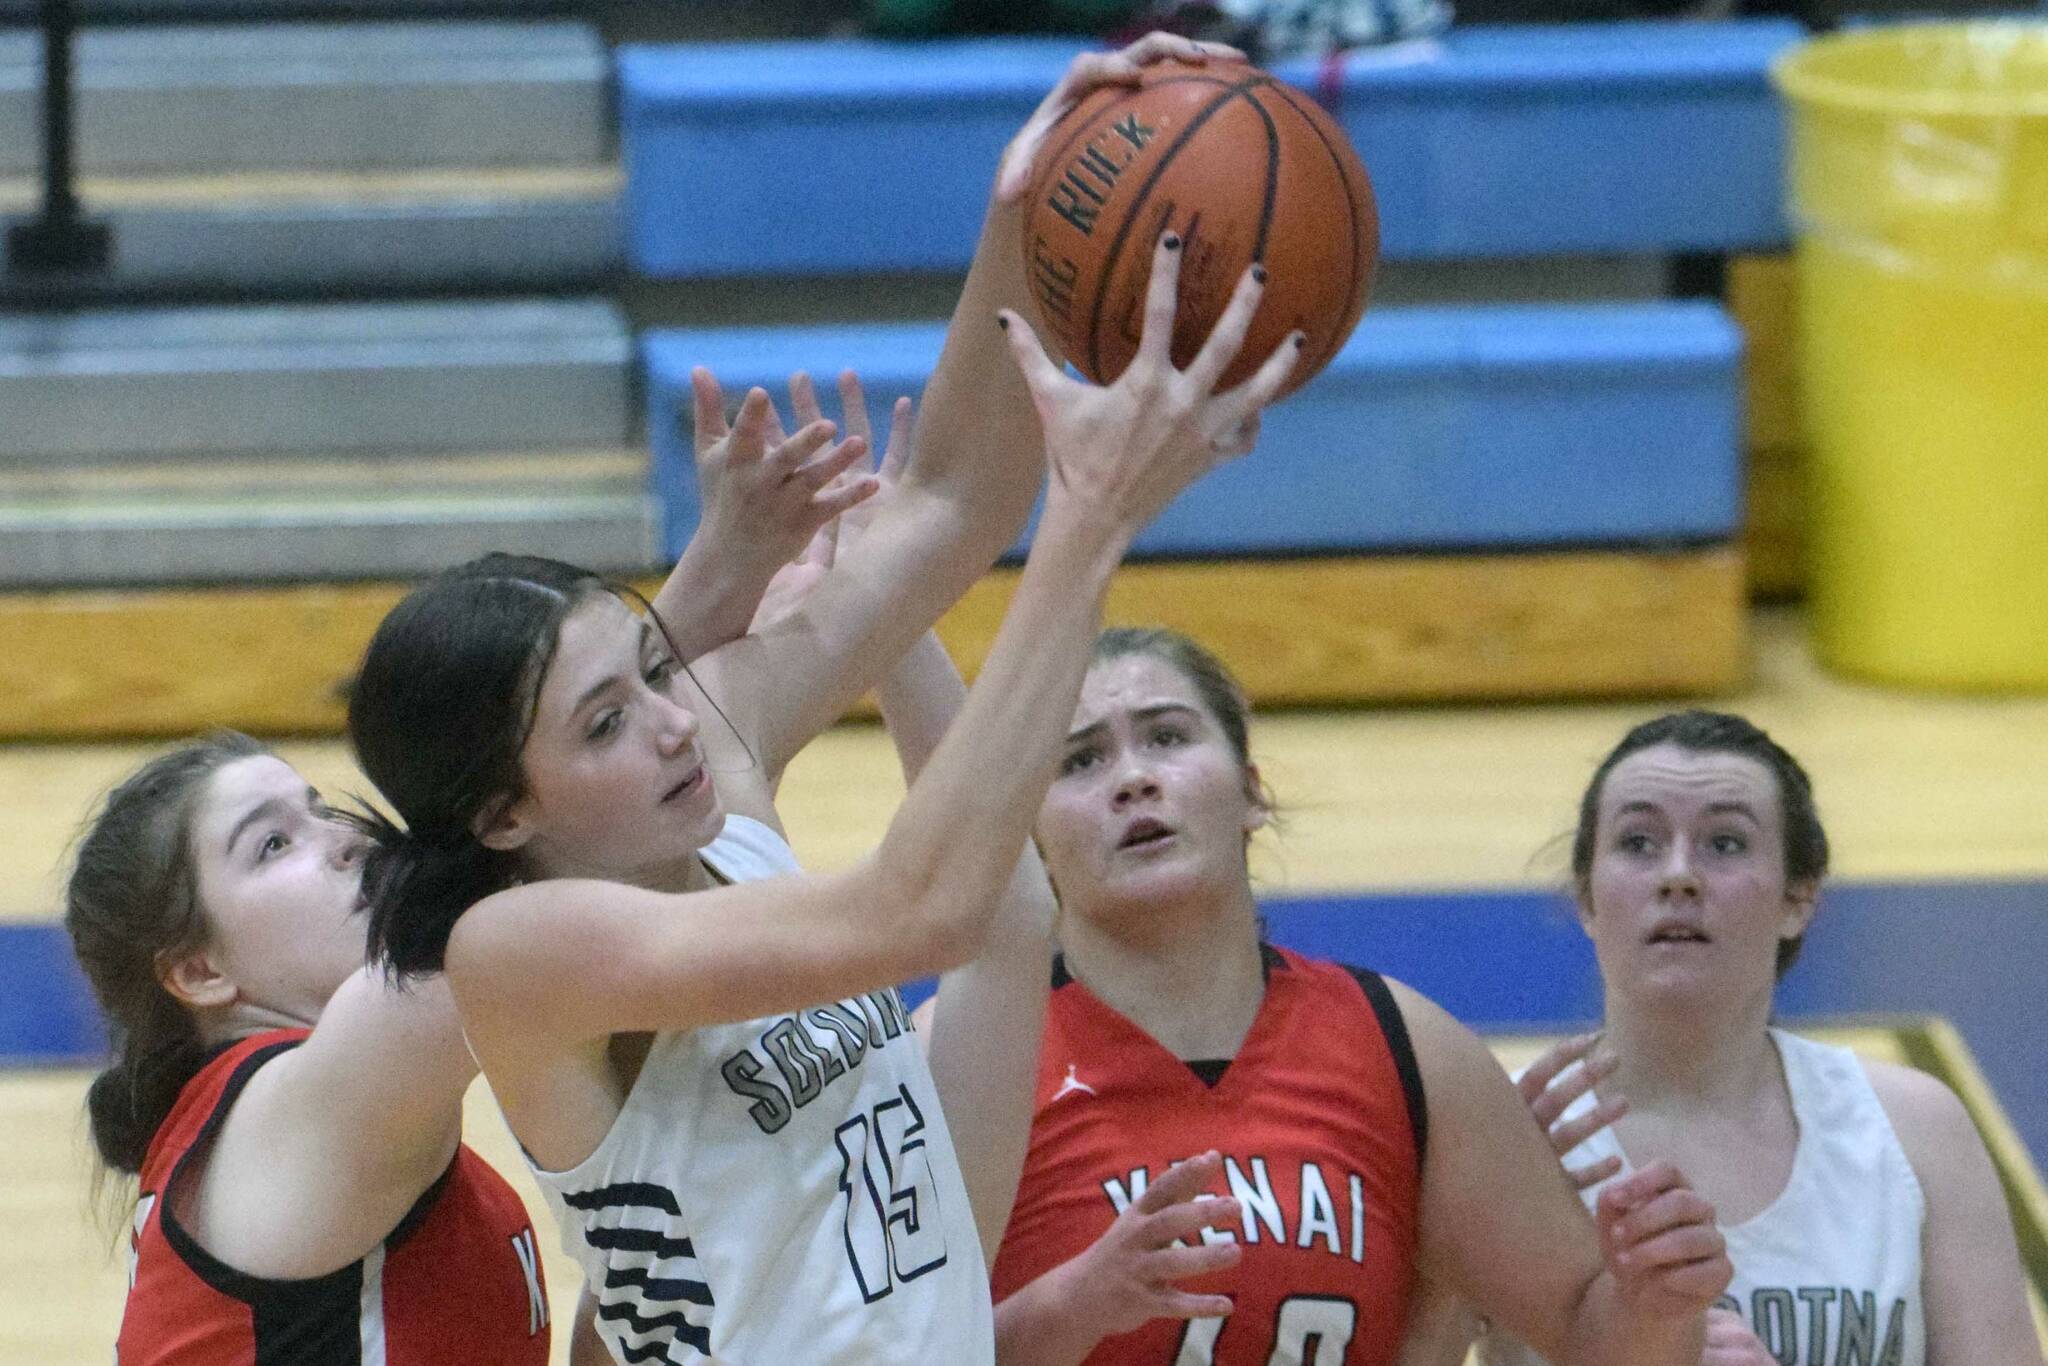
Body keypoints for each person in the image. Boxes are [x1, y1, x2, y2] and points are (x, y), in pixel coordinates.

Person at [345, 181, 1301, 1366]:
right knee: (991, 910)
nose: (674, 721)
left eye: (655, 665)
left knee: (1013, 913)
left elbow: (949, 503)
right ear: (501, 813)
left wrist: (1028, 204)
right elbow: (921, 909)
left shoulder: (705, 788)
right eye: (604, 722)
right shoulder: (521, 954)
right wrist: (1089, 521)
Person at [64, 412, 876, 1364]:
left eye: (317, 807)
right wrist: (717, 579)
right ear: (199, 970)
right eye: (271, 843)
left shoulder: (341, 1117)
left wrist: (723, 573)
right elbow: (517, 835)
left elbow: (533, 771)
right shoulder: (308, 1102)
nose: (338, 841)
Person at [976, 628, 1735, 1366]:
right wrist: (1068, 1307)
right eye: (1081, 759)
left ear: (1251, 792)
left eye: (1168, 738)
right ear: (1032, 836)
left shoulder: (1404, 1047)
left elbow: (1591, 1336)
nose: (1133, 779)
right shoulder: (971, 1060)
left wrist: (1653, 1302)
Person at [1409, 710, 2045, 1366]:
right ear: (1587, 898)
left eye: (1726, 844)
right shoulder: (1498, 1131)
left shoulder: (1914, 1130)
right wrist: (1458, 1260)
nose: (1678, 875)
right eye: (1638, 842)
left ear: (1799, 898)